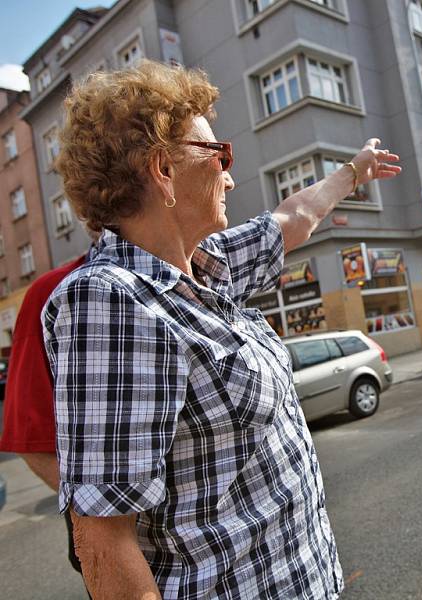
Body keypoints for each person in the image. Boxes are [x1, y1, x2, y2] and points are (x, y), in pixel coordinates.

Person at [43, 60, 401, 599]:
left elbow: (292, 219)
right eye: (219, 154)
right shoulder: (111, 300)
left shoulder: (206, 266)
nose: (230, 174)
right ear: (162, 169)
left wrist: (354, 172)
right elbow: (103, 538)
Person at [0, 248, 92, 586]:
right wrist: (111, 523)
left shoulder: (206, 274)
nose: (228, 189)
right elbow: (31, 440)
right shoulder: (53, 292)